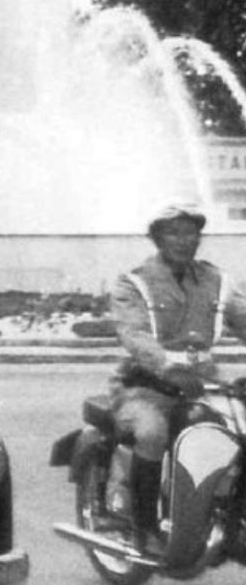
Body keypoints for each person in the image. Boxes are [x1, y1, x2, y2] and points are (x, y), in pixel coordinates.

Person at [109, 201, 246, 543]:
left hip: (204, 387)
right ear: (157, 238)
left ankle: (228, 520)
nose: (185, 240)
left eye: (192, 233)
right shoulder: (134, 283)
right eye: (175, 232)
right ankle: (144, 527)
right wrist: (166, 366)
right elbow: (134, 335)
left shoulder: (216, 281)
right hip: (146, 388)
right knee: (153, 433)